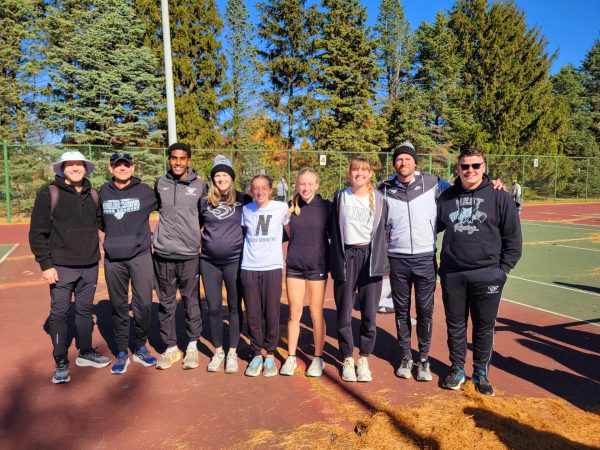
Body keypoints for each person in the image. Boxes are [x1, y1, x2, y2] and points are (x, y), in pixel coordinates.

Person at [437, 148, 522, 396]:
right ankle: (456, 368)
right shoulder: (447, 198)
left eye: (476, 166)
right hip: (453, 273)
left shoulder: (499, 197)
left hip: (488, 273)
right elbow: (430, 228)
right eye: (465, 166)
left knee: (484, 327)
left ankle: (481, 372)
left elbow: (513, 239)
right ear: (458, 169)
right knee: (455, 325)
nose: (470, 171)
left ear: (484, 167)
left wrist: (503, 270)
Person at [29, 151, 110, 384]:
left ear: (86, 168)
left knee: (84, 311)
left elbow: (103, 222)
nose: (75, 168)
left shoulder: (93, 194)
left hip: (90, 264)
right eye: (70, 164)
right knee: (60, 313)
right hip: (61, 266)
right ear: (62, 168)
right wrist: (46, 264)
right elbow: (37, 233)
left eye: (79, 164)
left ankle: (85, 351)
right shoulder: (49, 194)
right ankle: (61, 360)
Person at [378, 141, 451, 381]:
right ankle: (405, 357)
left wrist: (490, 181)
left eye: (407, 159)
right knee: (401, 311)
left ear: (415, 161)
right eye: (399, 159)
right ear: (394, 163)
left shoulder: (432, 183)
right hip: (397, 259)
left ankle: (424, 360)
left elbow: (460, 193)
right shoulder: (385, 188)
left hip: (425, 258)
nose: (403, 162)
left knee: (425, 312)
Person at [330, 157, 389, 382]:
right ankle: (346, 357)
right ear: (349, 173)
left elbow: (387, 230)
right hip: (347, 256)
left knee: (369, 313)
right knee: (344, 312)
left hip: (370, 258)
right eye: (355, 170)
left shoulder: (381, 199)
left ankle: (363, 358)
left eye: (364, 170)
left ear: (370, 174)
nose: (359, 174)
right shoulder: (340, 197)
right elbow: (332, 229)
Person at [99, 152, 158, 374]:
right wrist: (116, 239)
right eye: (118, 165)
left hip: (140, 256)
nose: (122, 168)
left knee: (143, 305)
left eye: (126, 165)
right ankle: (122, 351)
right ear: (110, 168)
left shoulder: (145, 192)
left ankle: (140, 346)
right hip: (114, 260)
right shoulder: (103, 192)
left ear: (133, 168)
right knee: (118, 306)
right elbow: (100, 220)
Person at [153, 142, 207, 370]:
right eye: (173, 158)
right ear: (168, 160)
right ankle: (171, 348)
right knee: (165, 303)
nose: (177, 162)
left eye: (182, 158)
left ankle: (192, 346)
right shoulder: (160, 183)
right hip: (163, 253)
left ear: (189, 160)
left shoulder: (200, 185)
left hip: (189, 255)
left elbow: (204, 216)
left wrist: (192, 237)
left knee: (191, 301)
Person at [280, 168, 331, 377]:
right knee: (294, 314)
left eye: (310, 184)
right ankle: (291, 358)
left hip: (318, 267)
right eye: (302, 183)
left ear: (317, 185)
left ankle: (318, 358)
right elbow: (286, 234)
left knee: (316, 313)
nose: (306, 187)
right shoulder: (289, 209)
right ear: (296, 185)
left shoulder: (327, 207)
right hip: (294, 267)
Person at [200, 155, 246, 374]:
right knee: (215, 307)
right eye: (217, 175)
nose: (221, 179)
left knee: (235, 307)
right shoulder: (204, 202)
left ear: (231, 178)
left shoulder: (243, 200)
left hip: (234, 262)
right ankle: (219, 351)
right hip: (208, 262)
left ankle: (233, 352)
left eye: (224, 175)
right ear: (213, 179)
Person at [240, 175, 290, 377]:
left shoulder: (281, 208)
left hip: (272, 267)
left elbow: (289, 231)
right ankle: (256, 354)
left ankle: (269, 353)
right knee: (252, 313)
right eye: (255, 188)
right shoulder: (246, 210)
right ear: (251, 191)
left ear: (270, 190)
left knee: (271, 312)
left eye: (263, 188)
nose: (259, 192)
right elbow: (243, 234)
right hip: (249, 267)